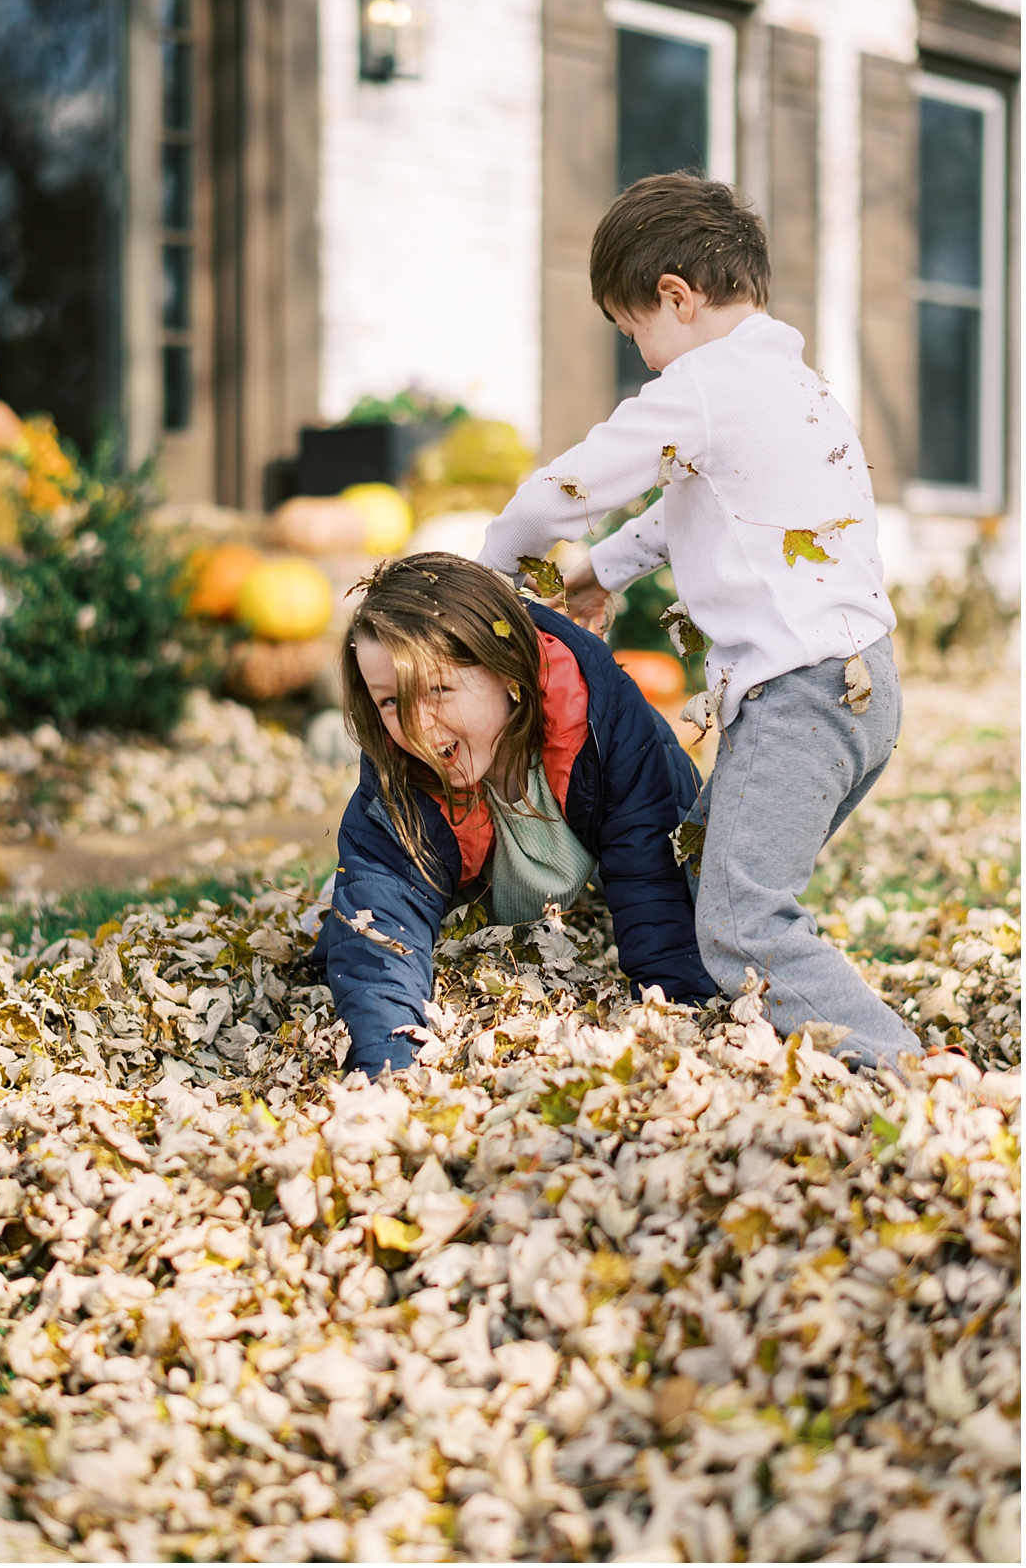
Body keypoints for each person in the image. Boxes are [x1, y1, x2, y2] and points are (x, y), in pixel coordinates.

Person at [478, 172, 922, 1072]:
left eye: (635, 329)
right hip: (857, 687)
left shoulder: (706, 386)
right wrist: (599, 568)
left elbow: (573, 483)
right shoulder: (791, 384)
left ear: (676, 296)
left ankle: (905, 1075)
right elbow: (690, 502)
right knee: (707, 858)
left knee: (744, 920)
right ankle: (733, 1039)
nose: (643, 357)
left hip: (804, 695)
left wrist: (490, 576)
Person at [311, 552, 717, 1078]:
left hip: (579, 871)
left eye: (437, 690)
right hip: (474, 899)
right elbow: (381, 915)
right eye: (390, 702)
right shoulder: (400, 774)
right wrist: (388, 1063)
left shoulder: (604, 726)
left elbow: (653, 875)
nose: (415, 724)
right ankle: (326, 909)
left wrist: (680, 1014)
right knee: (349, 920)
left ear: (506, 673)